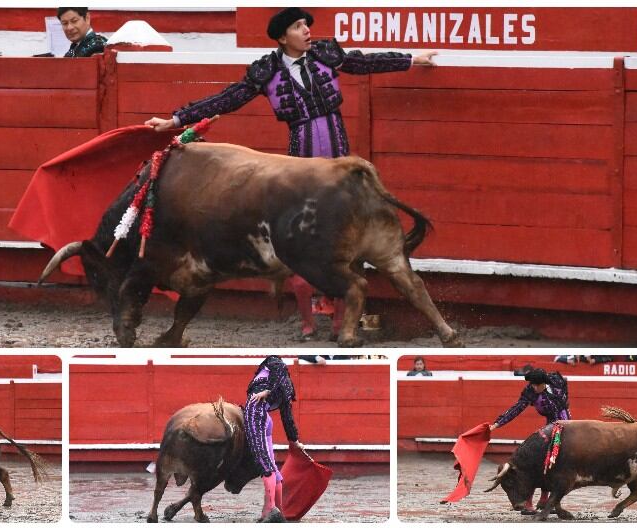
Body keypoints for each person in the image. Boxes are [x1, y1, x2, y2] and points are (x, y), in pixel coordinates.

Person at [145, 7, 438, 342]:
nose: (307, 31)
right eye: (299, 27)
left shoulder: (326, 54)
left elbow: (364, 62)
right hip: (302, 164)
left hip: (338, 156)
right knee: (302, 242)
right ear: (283, 37)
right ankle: (310, 322)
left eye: (307, 25)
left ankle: (344, 324)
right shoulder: (266, 71)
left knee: (344, 238)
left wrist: (411, 59)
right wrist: (175, 120)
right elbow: (227, 100)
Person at [489, 368, 570, 515]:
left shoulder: (557, 384)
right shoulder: (531, 391)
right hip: (551, 426)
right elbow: (517, 408)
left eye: (536, 385)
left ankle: (544, 499)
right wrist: (497, 424)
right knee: (539, 462)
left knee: (554, 461)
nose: (533, 387)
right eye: (532, 384)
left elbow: (564, 402)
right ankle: (531, 502)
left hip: (565, 426)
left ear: (543, 384)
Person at [244, 356, 304, 522]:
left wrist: (267, 391)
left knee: (265, 463)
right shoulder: (287, 387)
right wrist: (294, 441)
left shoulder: (273, 362)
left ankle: (271, 510)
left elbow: (279, 367)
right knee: (272, 466)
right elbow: (287, 417)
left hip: (255, 412)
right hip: (266, 418)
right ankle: (277, 513)